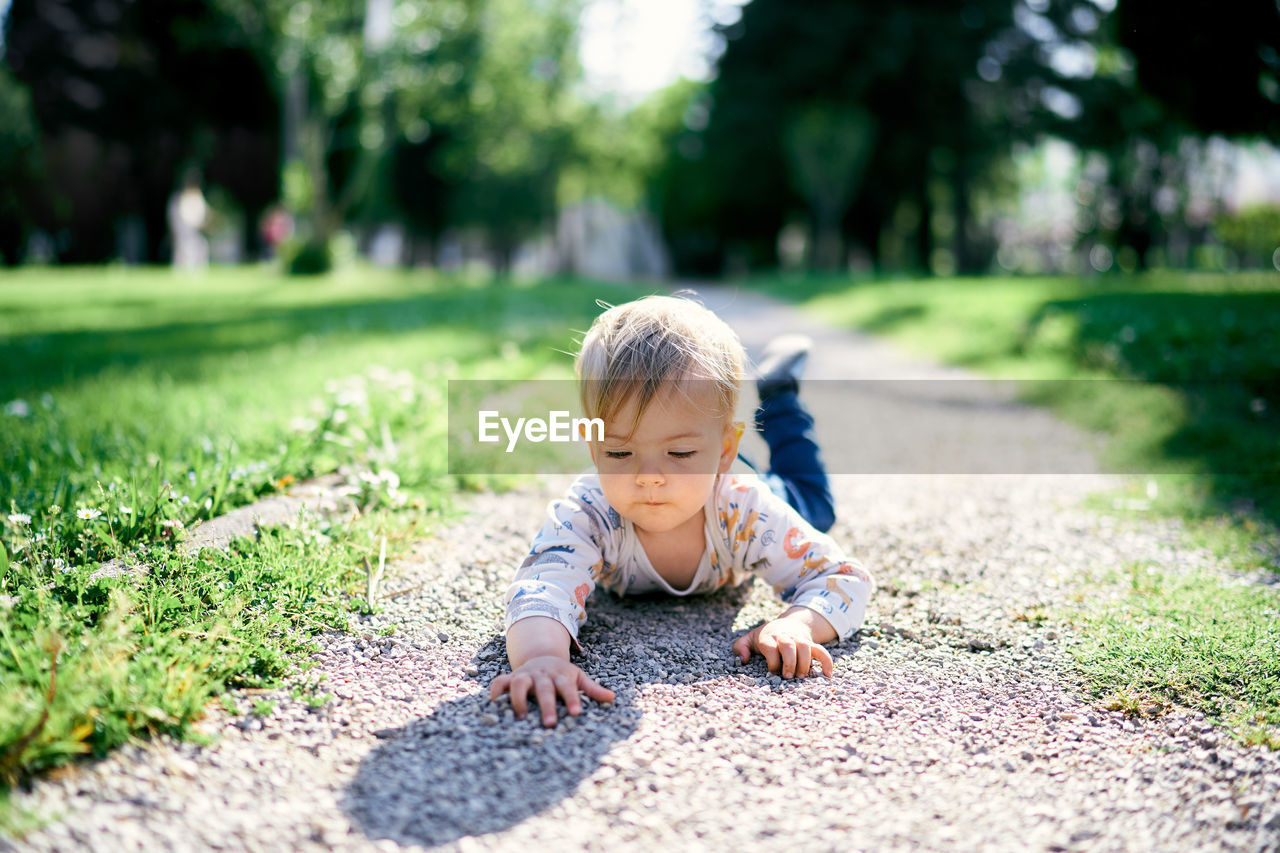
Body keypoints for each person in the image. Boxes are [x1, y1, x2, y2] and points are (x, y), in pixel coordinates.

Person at [490, 294, 874, 727]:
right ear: (593, 446)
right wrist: (541, 656)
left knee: (813, 504)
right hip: (713, 477)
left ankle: (779, 395)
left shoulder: (744, 509)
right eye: (619, 452)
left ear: (724, 449)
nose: (649, 477)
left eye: (679, 452)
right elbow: (542, 587)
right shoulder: (589, 512)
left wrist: (799, 624)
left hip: (739, 488)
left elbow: (843, 578)